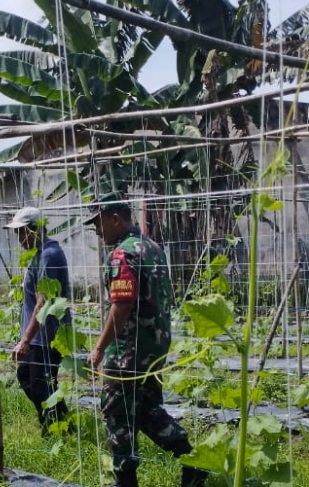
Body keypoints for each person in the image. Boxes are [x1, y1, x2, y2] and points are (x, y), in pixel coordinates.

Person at [83, 192, 207, 487]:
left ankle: (125, 481)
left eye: (98, 223)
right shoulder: (152, 248)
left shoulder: (123, 253)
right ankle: (192, 460)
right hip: (155, 344)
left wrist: (99, 348)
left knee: (117, 409)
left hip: (129, 349)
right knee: (147, 408)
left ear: (115, 219)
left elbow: (122, 305)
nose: (97, 230)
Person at [4, 206, 70, 437]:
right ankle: (62, 423)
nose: (19, 238)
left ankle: (53, 430)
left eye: (22, 232)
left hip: (48, 336)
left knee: (41, 384)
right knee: (29, 378)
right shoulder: (40, 254)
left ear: (35, 229)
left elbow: (42, 303)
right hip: (39, 336)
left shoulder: (49, 255)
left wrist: (25, 340)